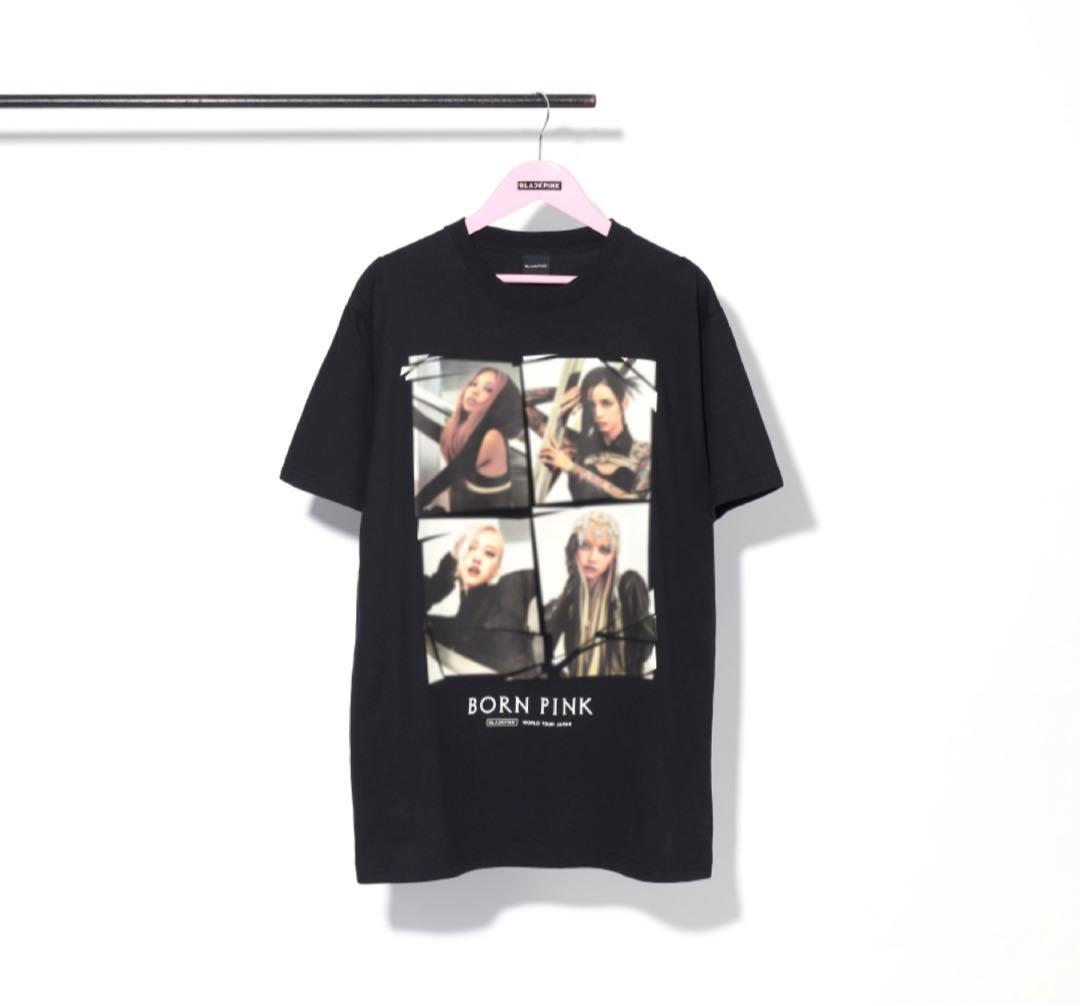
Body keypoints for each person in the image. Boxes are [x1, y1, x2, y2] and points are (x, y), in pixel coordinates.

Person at [543, 510, 656, 678]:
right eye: (585, 546)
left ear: (613, 557)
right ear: (574, 549)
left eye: (604, 550)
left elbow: (644, 649)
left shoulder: (628, 586)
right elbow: (543, 652)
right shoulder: (569, 600)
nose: (593, 557)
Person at [423, 522, 542, 678]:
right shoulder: (452, 628)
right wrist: (449, 564)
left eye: (489, 553)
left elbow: (537, 576)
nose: (477, 558)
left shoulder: (510, 589)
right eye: (471, 548)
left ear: (496, 570)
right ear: (458, 560)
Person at [528, 365, 651, 502]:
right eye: (591, 404)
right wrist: (563, 393)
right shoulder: (575, 446)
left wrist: (572, 468)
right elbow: (520, 403)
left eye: (606, 403)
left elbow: (635, 501)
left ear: (624, 404)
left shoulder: (645, 453)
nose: (598, 413)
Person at [416, 365, 526, 514]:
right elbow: (441, 435)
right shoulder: (469, 428)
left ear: (499, 401)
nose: (475, 391)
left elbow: (446, 477)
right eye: (473, 384)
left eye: (488, 389)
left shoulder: (492, 437)